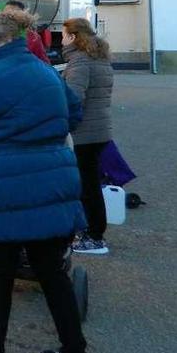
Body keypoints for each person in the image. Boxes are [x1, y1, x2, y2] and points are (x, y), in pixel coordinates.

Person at [0, 10, 88, 353]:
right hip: (54, 181)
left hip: (6, 188)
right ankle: (74, 351)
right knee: (53, 274)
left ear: (2, 39)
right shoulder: (46, 71)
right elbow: (74, 114)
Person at [62, 17, 114, 255]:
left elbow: (73, 99)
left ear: (73, 37)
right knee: (90, 183)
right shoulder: (99, 57)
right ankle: (92, 232)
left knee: (87, 186)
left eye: (63, 35)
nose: (61, 40)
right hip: (99, 129)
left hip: (84, 133)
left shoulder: (80, 61)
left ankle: (94, 236)